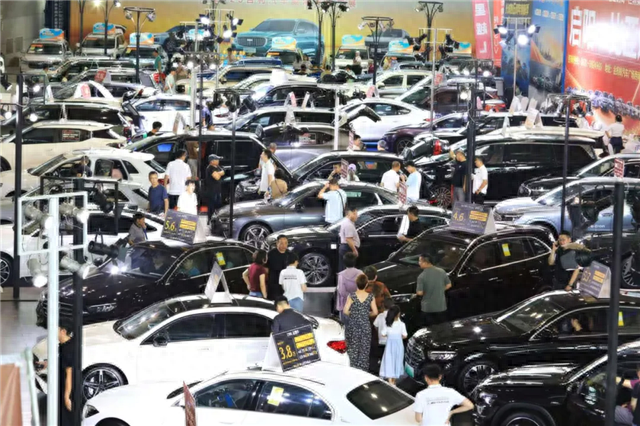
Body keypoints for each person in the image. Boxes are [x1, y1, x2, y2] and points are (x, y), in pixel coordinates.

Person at [36, 321, 75, 426]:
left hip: (65, 388)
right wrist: (47, 363)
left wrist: (66, 397)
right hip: (61, 385)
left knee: (64, 417)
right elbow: (61, 361)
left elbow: (69, 375)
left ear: (63, 331)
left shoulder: (68, 350)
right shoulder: (65, 344)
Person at [344, 274, 378, 371]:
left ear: (356, 283)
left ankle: (352, 370)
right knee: (364, 350)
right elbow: (375, 312)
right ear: (366, 284)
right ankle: (362, 371)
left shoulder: (352, 296)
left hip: (353, 326)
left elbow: (345, 311)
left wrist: (354, 314)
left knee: (352, 349)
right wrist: (366, 314)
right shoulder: (370, 296)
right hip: (365, 326)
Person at [416, 254, 452, 327]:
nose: (419, 263)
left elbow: (420, 293)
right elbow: (449, 285)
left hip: (428, 308)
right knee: (442, 327)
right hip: (441, 306)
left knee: (430, 329)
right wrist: (439, 289)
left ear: (425, 262)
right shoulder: (441, 271)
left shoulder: (421, 276)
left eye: (420, 261)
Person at [379, 305, 407, 385]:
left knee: (389, 361)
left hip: (389, 346)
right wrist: (398, 337)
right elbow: (405, 335)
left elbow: (383, 334)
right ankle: (393, 381)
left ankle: (390, 381)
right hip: (399, 346)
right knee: (397, 361)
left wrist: (390, 336)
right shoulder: (402, 324)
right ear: (398, 314)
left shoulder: (388, 324)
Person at [337, 252, 363, 324]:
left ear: (344, 262)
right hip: (358, 302)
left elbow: (342, 291)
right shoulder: (360, 273)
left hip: (345, 303)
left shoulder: (341, 275)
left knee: (346, 325)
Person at [267, 235, 289, 300]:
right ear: (277, 243)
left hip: (286, 283)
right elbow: (266, 268)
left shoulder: (290, 254)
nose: (284, 245)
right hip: (274, 283)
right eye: (281, 243)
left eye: (286, 243)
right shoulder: (271, 254)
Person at [338, 205, 360, 271]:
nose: (357, 216)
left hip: (346, 248)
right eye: (355, 214)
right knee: (347, 269)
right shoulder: (348, 224)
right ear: (350, 213)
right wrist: (354, 250)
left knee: (344, 268)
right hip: (348, 248)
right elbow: (348, 239)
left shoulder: (346, 222)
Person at [204, 154, 224, 223]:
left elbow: (223, 172)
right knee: (211, 207)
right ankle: (210, 220)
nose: (218, 161)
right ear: (212, 161)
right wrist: (219, 173)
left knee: (218, 206)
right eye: (217, 159)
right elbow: (217, 177)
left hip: (218, 190)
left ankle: (217, 220)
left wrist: (218, 173)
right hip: (212, 191)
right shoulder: (210, 168)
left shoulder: (217, 167)